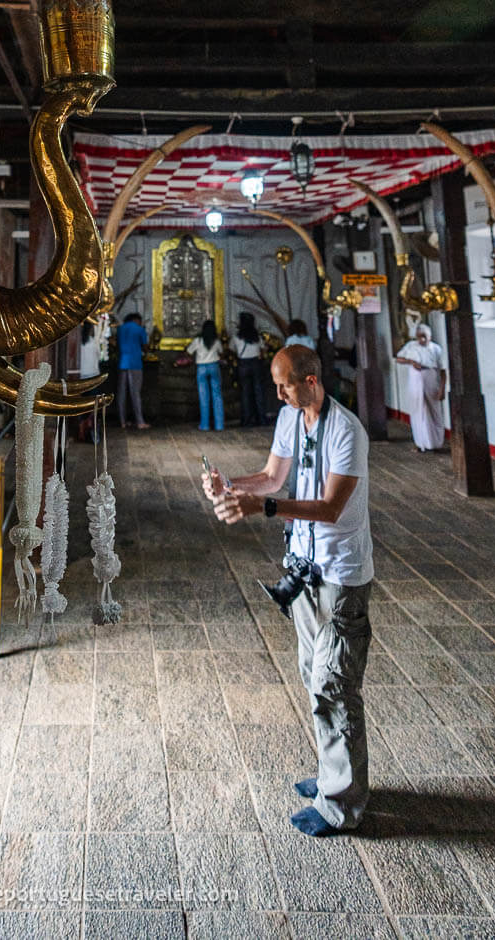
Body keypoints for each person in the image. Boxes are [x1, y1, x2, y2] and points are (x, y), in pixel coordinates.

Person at [202, 344, 373, 836]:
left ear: (312, 380)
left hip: (341, 574)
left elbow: (331, 506)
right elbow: (274, 477)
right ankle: (329, 775)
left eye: (285, 385)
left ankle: (342, 803)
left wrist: (267, 510)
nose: (277, 393)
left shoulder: (346, 431)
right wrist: (232, 484)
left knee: (334, 685)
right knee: (310, 671)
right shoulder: (290, 418)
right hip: (304, 568)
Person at [394, 323, 447, 452]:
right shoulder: (411, 346)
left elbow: (443, 370)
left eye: (425, 336)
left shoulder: (436, 349)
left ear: (430, 336)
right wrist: (411, 362)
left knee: (433, 412)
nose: (422, 340)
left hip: (431, 381)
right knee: (418, 411)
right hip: (415, 383)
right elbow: (398, 359)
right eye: (419, 337)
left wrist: (442, 389)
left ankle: (435, 443)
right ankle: (420, 442)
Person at [183, 318, 224, 431]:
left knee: (203, 397)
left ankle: (205, 425)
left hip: (201, 368)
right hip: (214, 366)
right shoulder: (216, 341)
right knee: (217, 396)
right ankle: (219, 425)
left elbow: (188, 352)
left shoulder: (198, 340)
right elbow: (221, 352)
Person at [116, 311, 150, 430]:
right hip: (135, 363)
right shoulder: (139, 329)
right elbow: (145, 347)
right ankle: (140, 422)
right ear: (137, 320)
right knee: (135, 393)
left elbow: (117, 345)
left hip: (122, 363)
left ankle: (122, 422)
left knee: (121, 394)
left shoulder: (120, 329)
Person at [231, 311, 264, 426]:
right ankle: (261, 418)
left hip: (243, 364)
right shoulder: (257, 337)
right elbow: (262, 349)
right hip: (256, 363)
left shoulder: (236, 337)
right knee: (258, 391)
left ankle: (246, 419)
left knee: (245, 392)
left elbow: (232, 349)